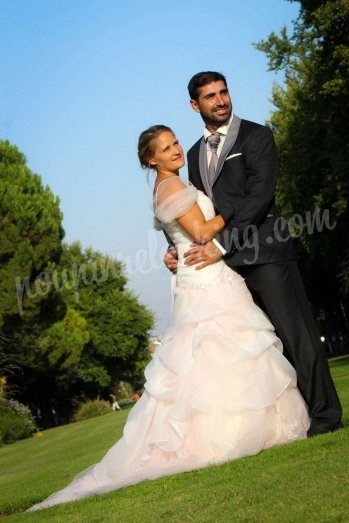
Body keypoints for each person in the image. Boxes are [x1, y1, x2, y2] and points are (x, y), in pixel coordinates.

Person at [27, 125, 309, 512]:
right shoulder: (174, 188)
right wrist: (237, 208)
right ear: (151, 159)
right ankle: (225, 436)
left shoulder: (165, 188)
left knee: (213, 362)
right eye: (166, 148)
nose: (176, 150)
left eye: (176, 142)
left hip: (198, 274)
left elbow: (178, 237)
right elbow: (201, 230)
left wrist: (178, 249)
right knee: (221, 355)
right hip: (207, 280)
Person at [165, 71, 342, 437]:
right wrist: (175, 249)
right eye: (210, 96)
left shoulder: (257, 136)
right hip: (228, 271)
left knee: (297, 337)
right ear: (194, 105)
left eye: (223, 92)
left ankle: (326, 418)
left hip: (269, 255)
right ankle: (294, 420)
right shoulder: (195, 154)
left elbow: (258, 198)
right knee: (265, 349)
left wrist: (219, 244)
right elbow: (195, 212)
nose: (220, 101)